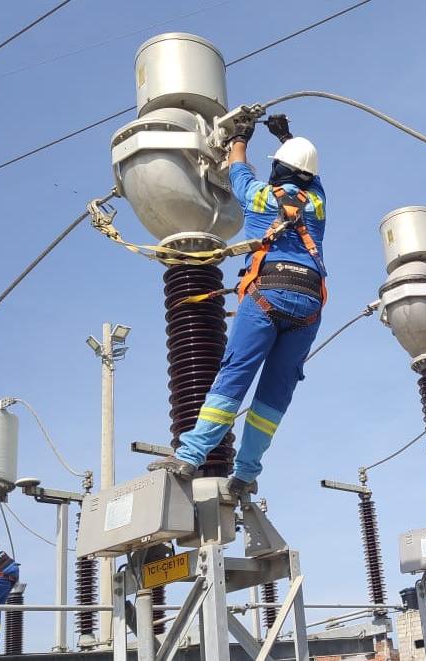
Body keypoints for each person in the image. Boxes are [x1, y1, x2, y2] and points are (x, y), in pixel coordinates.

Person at [149, 114, 326, 492]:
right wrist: (286, 135)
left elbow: (237, 169)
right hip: (309, 307)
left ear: (278, 167)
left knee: (235, 376)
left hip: (267, 294)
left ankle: (190, 455)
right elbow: (312, 177)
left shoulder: (260, 196)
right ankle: (246, 475)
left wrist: (240, 136)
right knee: (275, 392)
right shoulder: (318, 205)